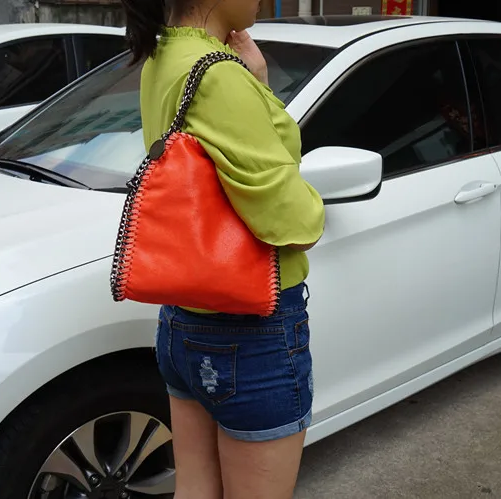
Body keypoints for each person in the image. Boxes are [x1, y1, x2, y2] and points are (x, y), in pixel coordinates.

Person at [121, 0, 326, 497]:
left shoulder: (161, 58)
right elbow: (295, 225)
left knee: (195, 488)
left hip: (182, 320)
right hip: (250, 330)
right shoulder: (218, 75)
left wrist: (256, 83)